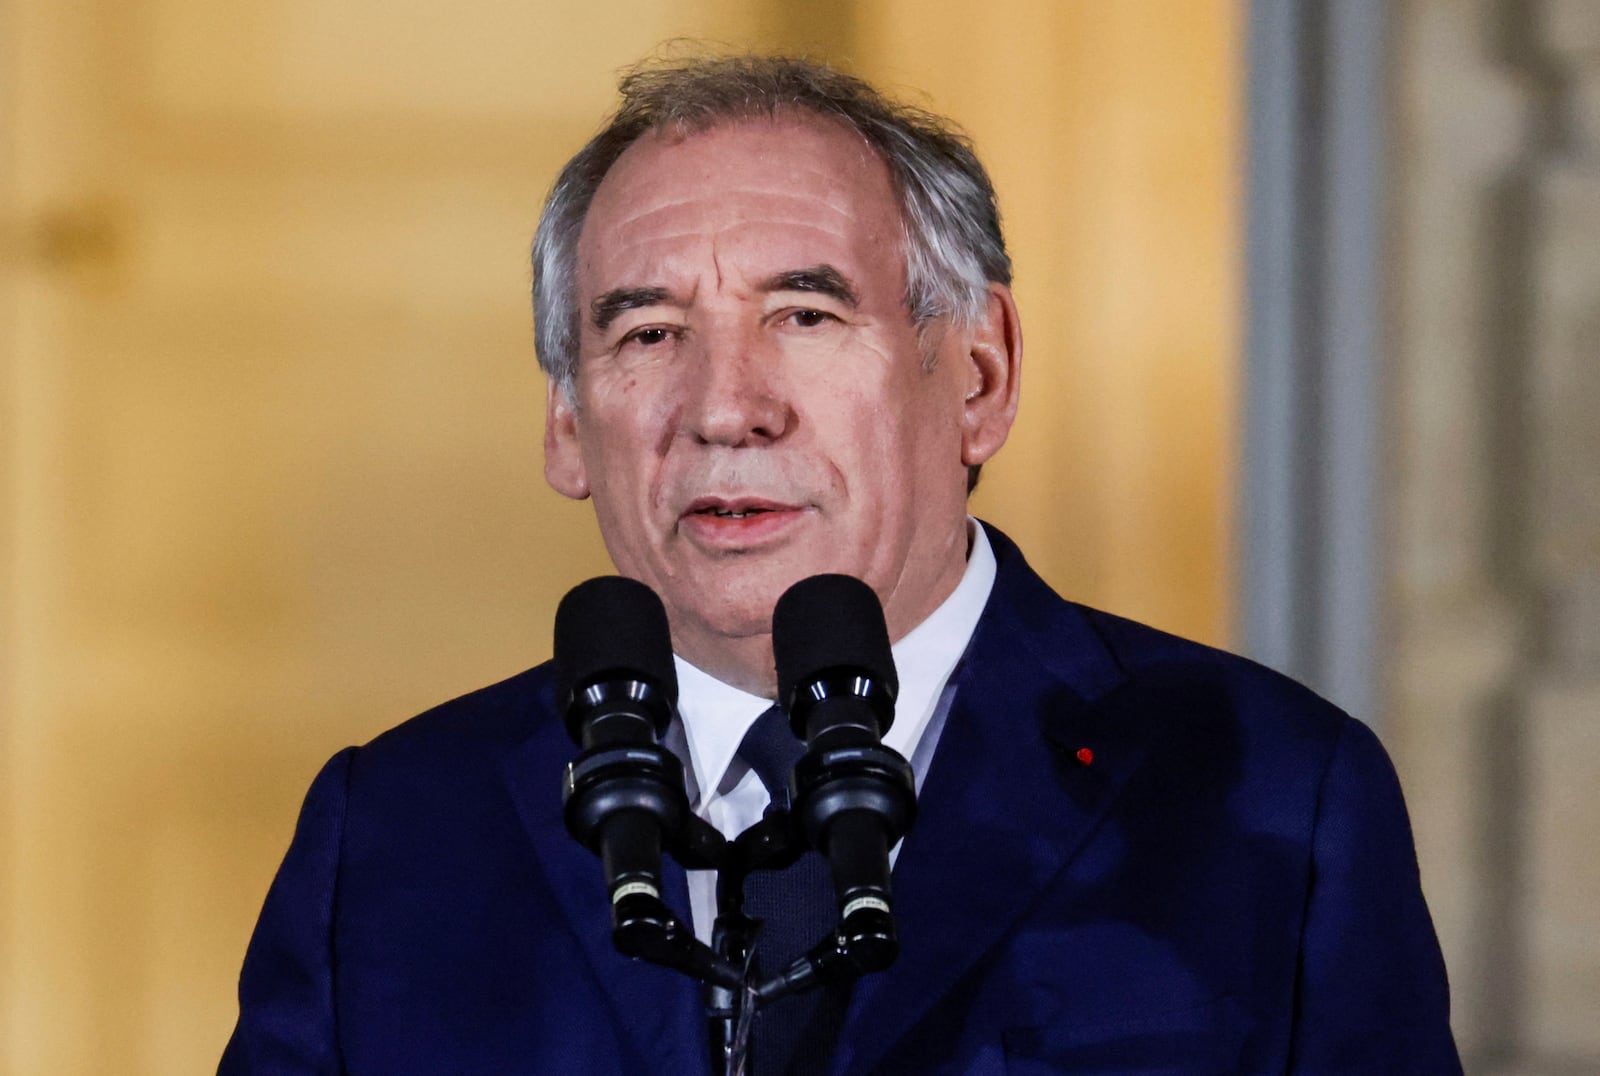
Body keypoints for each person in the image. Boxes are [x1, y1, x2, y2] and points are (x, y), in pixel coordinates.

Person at [221, 55, 1461, 1074]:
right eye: (648, 331)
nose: (726, 409)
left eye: (805, 316)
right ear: (566, 426)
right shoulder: (390, 832)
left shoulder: (1271, 795)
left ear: (979, 376)